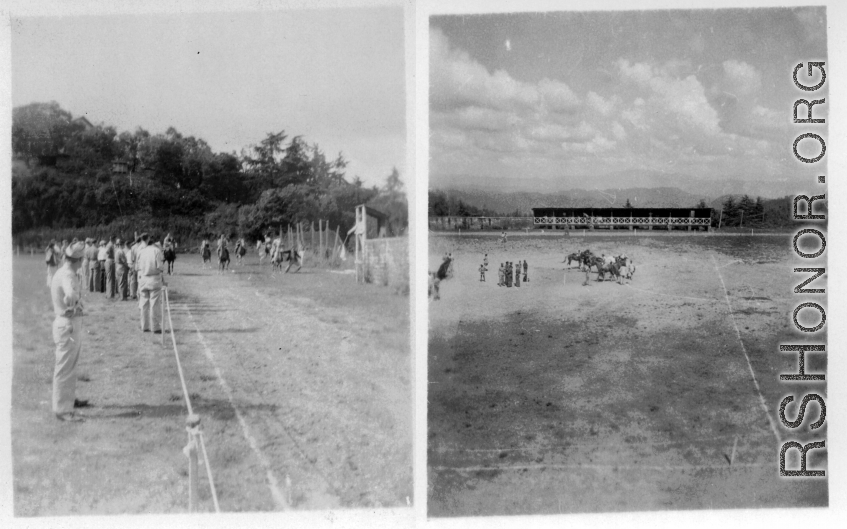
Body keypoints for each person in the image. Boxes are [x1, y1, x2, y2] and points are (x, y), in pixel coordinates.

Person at [50, 241, 87, 422]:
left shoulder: (63, 271)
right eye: (82, 259)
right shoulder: (68, 274)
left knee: (69, 365)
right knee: (65, 367)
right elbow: (70, 294)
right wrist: (73, 303)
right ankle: (63, 410)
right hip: (68, 323)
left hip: (66, 323)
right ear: (78, 259)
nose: (82, 262)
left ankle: (68, 400)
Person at [136, 233, 165, 333]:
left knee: (144, 304)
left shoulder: (141, 251)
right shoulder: (156, 251)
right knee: (154, 304)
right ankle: (155, 327)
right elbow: (160, 267)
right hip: (153, 279)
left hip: (143, 279)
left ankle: (144, 326)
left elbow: (138, 267)